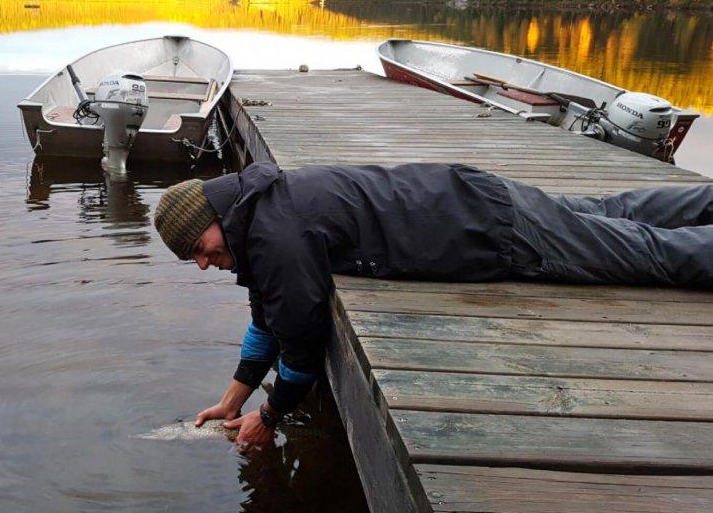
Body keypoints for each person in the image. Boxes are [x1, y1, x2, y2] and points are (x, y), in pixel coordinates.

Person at [153, 162, 713, 451]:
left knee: (645, 254)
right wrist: (234, 399)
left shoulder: (274, 236)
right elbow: (266, 315)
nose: (205, 264)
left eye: (199, 251)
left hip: (489, 231)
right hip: (469, 195)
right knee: (609, 213)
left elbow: (299, 337)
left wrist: (270, 416)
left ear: (212, 220)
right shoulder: (261, 208)